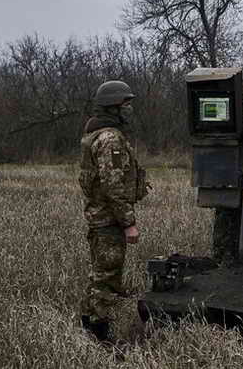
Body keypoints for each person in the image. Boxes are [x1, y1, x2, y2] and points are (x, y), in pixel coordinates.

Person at [79, 80, 149, 344]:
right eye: (126, 103)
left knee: (99, 273)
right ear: (114, 107)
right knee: (107, 277)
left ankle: (87, 324)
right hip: (108, 221)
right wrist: (129, 222)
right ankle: (98, 335)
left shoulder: (98, 134)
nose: (129, 108)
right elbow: (113, 186)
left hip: (100, 218)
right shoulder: (110, 139)